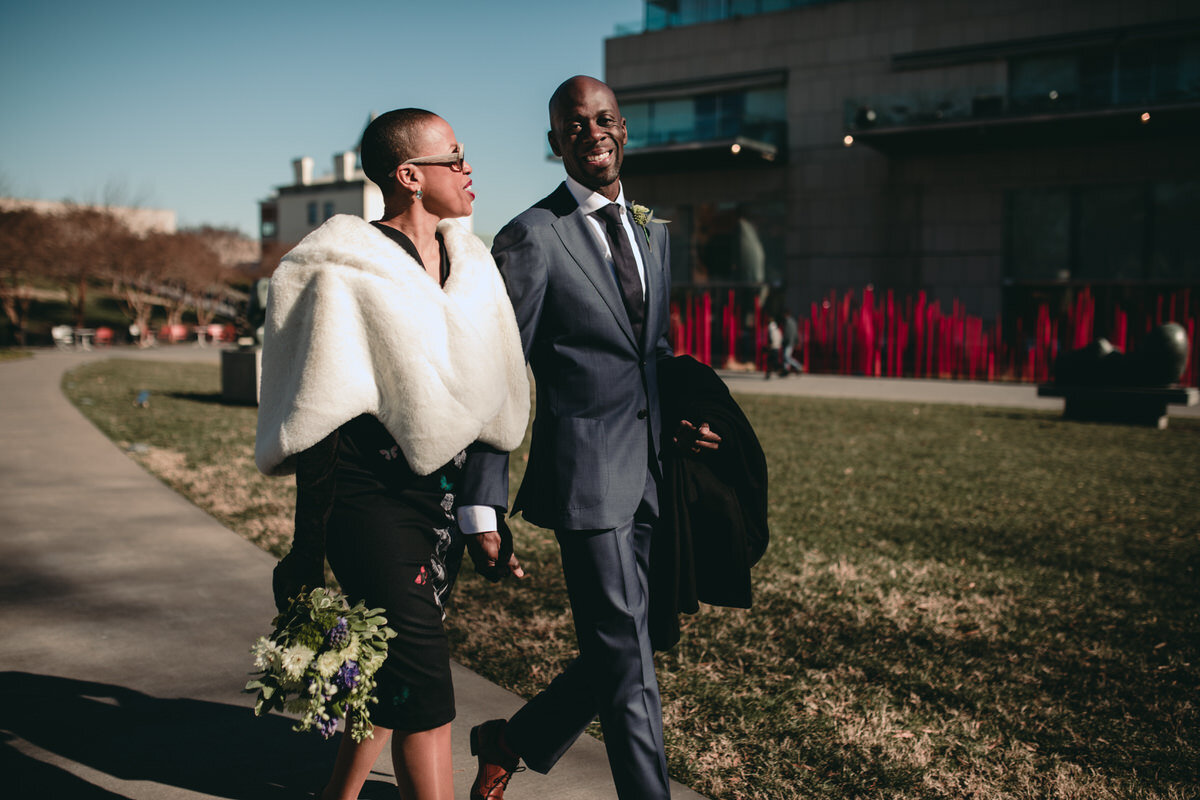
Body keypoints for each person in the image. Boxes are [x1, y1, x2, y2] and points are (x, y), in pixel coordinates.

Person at [457, 75, 720, 800]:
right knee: (629, 666)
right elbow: (499, 373)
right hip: (585, 480)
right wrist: (482, 502)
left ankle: (513, 740)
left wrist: (687, 415)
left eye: (603, 119)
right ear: (555, 144)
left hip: (652, 475)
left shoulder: (652, 230)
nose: (592, 132)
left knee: (639, 642)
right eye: (574, 126)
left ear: (623, 129)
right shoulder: (531, 237)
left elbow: (653, 354)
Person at [254, 108, 529, 800]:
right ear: (410, 176)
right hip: (366, 500)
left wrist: (482, 512)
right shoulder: (343, 270)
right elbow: (317, 414)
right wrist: (306, 544)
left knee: (388, 671)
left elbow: (492, 390)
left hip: (441, 500)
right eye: (455, 158)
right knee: (428, 692)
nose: (470, 171)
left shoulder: (472, 264)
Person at [781, 309, 803, 375]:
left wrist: (784, 341)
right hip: (792, 342)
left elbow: (787, 333)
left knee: (786, 356)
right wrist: (796, 341)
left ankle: (798, 366)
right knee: (786, 356)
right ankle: (785, 370)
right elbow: (796, 333)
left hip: (789, 342)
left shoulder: (787, 322)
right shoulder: (794, 322)